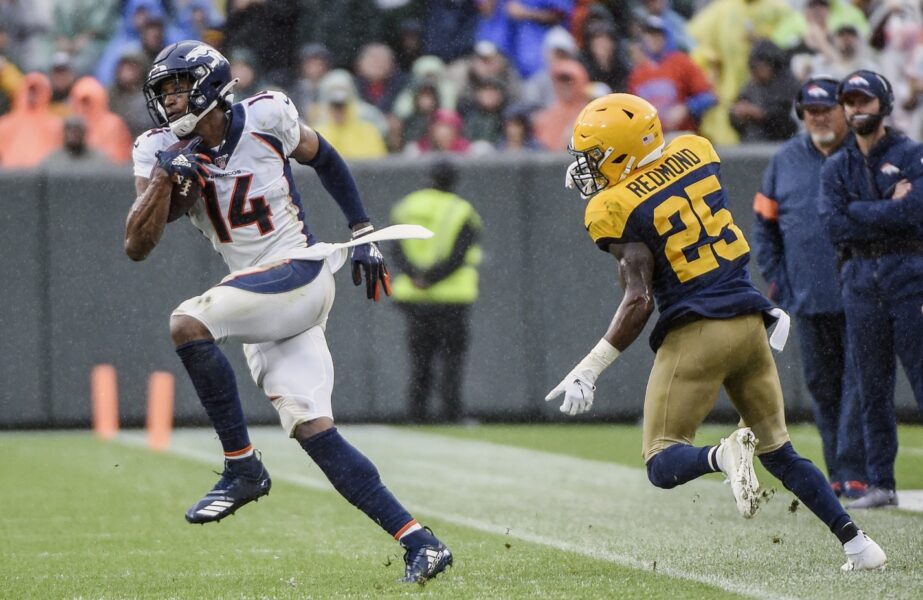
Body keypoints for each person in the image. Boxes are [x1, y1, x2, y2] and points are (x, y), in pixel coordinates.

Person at [124, 40, 451, 584]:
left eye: (177, 88)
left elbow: (326, 158)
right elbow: (137, 244)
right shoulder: (156, 147)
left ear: (208, 84)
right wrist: (166, 175)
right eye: (163, 92)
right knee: (312, 428)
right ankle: (421, 541)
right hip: (259, 296)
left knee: (188, 322)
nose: (169, 102)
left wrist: (363, 231)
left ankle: (242, 465)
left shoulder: (267, 115)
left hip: (299, 270)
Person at [547, 92, 886, 571]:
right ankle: (858, 544)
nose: (588, 168)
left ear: (623, 150)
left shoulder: (614, 205)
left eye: (597, 156)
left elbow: (640, 298)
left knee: (662, 462)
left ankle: (723, 455)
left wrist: (590, 367)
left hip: (699, 333)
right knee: (781, 452)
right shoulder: (697, 150)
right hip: (751, 321)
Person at [752, 76, 867, 500]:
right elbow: (764, 228)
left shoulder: (865, 153)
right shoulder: (785, 160)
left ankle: (856, 470)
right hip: (808, 294)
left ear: (843, 112)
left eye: (825, 110)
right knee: (823, 385)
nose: (818, 118)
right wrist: (779, 279)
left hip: (862, 292)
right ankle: (841, 472)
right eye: (811, 111)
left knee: (860, 383)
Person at [819, 69, 923, 509]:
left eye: (863, 101)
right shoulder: (836, 165)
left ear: (883, 104)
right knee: (872, 389)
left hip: (909, 281)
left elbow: (915, 213)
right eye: (850, 101)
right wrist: (884, 207)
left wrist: (860, 212)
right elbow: (833, 224)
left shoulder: (911, 153)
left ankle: (882, 482)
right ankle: (881, 483)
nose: (856, 109)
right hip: (860, 284)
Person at [389, 160, 483, 423]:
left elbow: (395, 249)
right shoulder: (461, 210)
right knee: (452, 360)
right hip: (452, 298)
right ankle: (452, 413)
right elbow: (460, 255)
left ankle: (416, 414)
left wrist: (415, 276)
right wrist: (432, 278)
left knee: (420, 360)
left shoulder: (407, 206)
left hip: (415, 299)